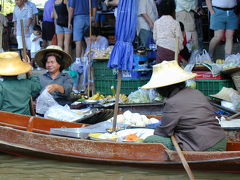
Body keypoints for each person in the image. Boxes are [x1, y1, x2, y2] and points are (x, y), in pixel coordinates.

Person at [142, 60, 227, 151]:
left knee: (150, 140)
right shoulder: (196, 92)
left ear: (163, 88)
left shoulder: (172, 102)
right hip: (220, 140)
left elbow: (164, 132)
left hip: (204, 146)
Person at [71, 27, 109, 93]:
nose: (89, 39)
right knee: (75, 66)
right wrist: (85, 56)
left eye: (89, 37)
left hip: (97, 61)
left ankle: (85, 86)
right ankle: (75, 87)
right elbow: (87, 52)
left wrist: (93, 54)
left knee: (87, 65)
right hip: (88, 60)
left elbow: (103, 53)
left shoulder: (103, 40)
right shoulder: (90, 42)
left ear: (93, 35)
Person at [68, 0, 97, 65]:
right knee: (88, 39)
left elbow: (71, 8)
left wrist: (69, 22)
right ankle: (87, 58)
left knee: (78, 41)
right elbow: (94, 7)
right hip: (88, 17)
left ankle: (78, 60)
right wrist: (94, 18)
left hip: (78, 18)